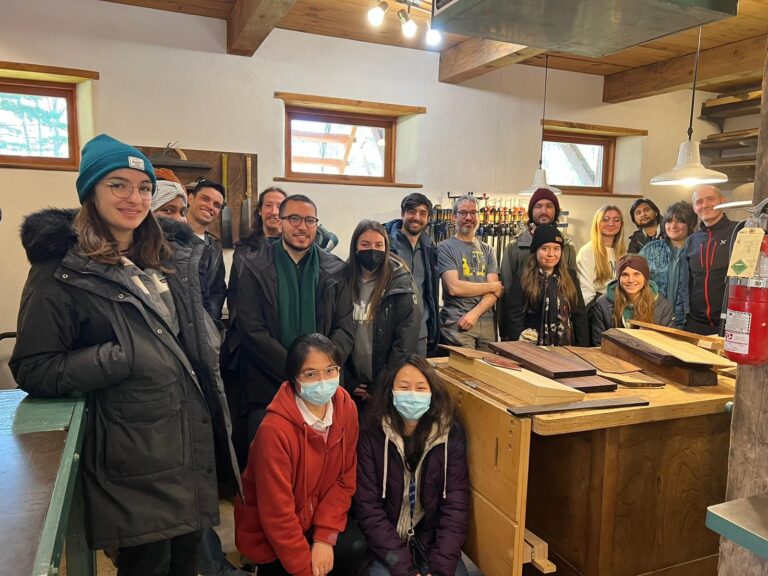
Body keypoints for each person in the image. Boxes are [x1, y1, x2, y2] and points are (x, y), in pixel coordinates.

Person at [10, 134, 238, 576]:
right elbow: (33, 366)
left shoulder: (167, 256)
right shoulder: (61, 268)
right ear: (91, 190)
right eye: (118, 184)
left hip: (187, 444)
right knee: (147, 565)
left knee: (189, 564)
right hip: (131, 459)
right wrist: (118, 357)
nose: (134, 198)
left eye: (144, 187)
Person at [235, 333, 360, 576]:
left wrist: (325, 536)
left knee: (355, 546)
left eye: (330, 370)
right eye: (310, 374)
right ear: (294, 379)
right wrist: (305, 569)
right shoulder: (273, 431)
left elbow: (345, 480)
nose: (323, 381)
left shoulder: (347, 409)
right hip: (273, 534)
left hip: (317, 520)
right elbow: (276, 513)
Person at [236, 194, 354, 438]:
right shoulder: (253, 267)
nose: (302, 226)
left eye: (310, 220)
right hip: (269, 383)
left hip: (323, 388)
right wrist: (297, 371)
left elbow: (345, 327)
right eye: (294, 219)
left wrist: (320, 371)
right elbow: (251, 329)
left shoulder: (336, 269)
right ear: (281, 222)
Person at [354, 354, 469, 576]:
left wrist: (440, 569)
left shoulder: (449, 435)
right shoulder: (372, 434)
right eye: (404, 387)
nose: (412, 395)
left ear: (432, 393)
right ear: (391, 392)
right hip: (387, 547)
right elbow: (367, 509)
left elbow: (455, 508)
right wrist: (405, 569)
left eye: (420, 388)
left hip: (432, 544)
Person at [345, 220, 421, 411]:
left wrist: (382, 382)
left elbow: (406, 339)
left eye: (378, 245)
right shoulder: (341, 280)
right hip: (349, 382)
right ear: (355, 246)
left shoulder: (401, 282)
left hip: (386, 381)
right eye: (365, 244)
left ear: (386, 247)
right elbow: (333, 332)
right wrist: (346, 379)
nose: (372, 250)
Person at [499, 188, 576, 339]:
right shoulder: (515, 247)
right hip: (525, 330)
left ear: (556, 211)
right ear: (531, 211)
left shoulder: (567, 248)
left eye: (549, 206)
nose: (543, 211)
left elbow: (573, 292)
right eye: (538, 206)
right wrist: (508, 335)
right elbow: (507, 294)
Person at [437, 195, 503, 350]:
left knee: (488, 372)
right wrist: (492, 286)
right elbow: (454, 288)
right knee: (463, 373)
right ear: (454, 217)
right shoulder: (444, 247)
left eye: (473, 213)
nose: (469, 217)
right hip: (457, 323)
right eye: (463, 213)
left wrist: (475, 313)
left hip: (487, 322)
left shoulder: (488, 250)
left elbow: (496, 291)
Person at [504, 225, 588, 346]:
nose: (551, 254)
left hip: (566, 349)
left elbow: (579, 316)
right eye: (545, 248)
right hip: (533, 348)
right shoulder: (523, 277)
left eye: (556, 249)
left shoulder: (570, 277)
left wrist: (582, 350)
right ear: (535, 250)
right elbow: (515, 319)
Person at [677, 185, 738, 334]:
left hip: (731, 324)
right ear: (694, 208)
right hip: (696, 323)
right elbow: (686, 283)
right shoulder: (692, 241)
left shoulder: (738, 232)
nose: (704, 205)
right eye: (699, 202)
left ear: (723, 200)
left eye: (710, 199)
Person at [384, 192, 440, 356]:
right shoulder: (387, 245)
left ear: (428, 218)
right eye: (412, 212)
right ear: (403, 214)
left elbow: (429, 293)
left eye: (422, 213)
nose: (416, 217)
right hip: (390, 332)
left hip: (420, 333)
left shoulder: (430, 249)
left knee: (416, 379)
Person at [590, 254, 675, 345]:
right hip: (612, 356)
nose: (631, 280)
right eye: (625, 275)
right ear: (619, 278)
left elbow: (667, 345)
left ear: (645, 277)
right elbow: (599, 342)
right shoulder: (603, 304)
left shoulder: (663, 307)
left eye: (636, 274)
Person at [639, 201, 697, 325]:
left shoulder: (698, 251)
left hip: (687, 321)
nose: (673, 226)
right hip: (654, 318)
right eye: (669, 221)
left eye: (680, 221)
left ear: (691, 224)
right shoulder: (650, 249)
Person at [187, 178, 227, 325]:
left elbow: (218, 289)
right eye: (205, 199)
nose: (210, 207)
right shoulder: (169, 238)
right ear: (190, 199)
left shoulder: (215, 246)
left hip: (204, 327)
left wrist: (210, 321)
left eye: (217, 205)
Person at [577, 205, 627, 306]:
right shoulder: (587, 251)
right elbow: (586, 294)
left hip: (620, 308)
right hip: (598, 310)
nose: (611, 223)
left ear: (621, 224)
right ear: (597, 223)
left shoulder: (622, 252)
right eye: (605, 219)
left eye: (616, 220)